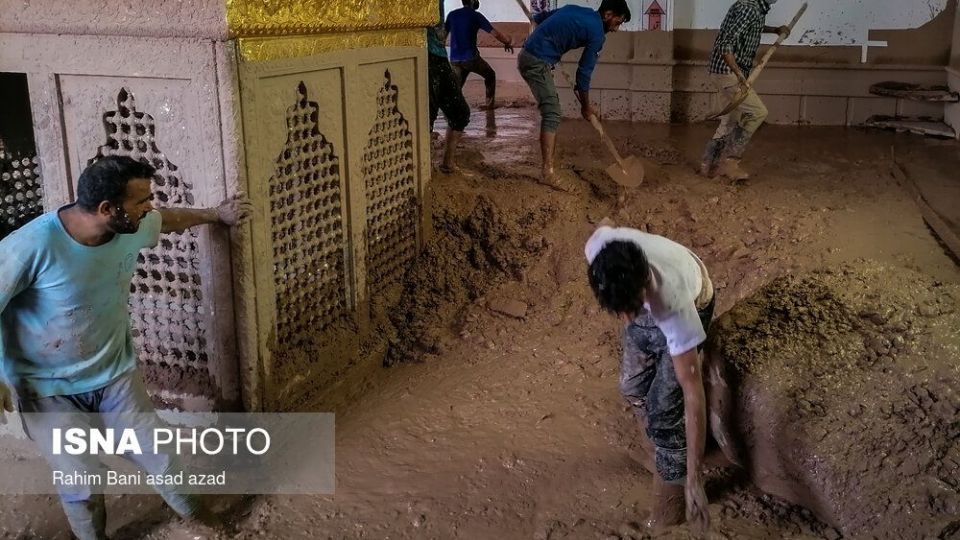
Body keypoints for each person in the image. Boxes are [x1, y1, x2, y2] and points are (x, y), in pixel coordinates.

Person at [0, 155, 252, 540]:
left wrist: (215, 214)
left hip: (113, 374)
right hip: (45, 387)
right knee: (81, 479)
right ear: (106, 209)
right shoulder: (29, 247)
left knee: (162, 457)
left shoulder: (130, 225)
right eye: (141, 200)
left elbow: (166, 219)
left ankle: (199, 516)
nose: (149, 206)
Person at [585, 222, 716, 535]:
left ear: (644, 285)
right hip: (642, 290)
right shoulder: (599, 249)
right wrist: (630, 308)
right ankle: (662, 444)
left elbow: (692, 389)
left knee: (664, 410)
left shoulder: (673, 302)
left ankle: (675, 480)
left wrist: (696, 479)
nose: (626, 320)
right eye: (620, 312)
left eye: (630, 309)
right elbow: (604, 225)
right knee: (630, 386)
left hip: (694, 295)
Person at [518, 0, 630, 189]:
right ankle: (548, 172)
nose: (616, 29)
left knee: (551, 110)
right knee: (552, 113)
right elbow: (584, 72)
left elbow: (542, 18)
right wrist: (586, 107)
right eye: (617, 23)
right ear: (608, 14)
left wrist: (539, 25)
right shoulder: (597, 34)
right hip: (536, 61)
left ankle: (549, 168)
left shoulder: (577, 9)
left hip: (533, 56)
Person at [700, 0, 790, 181]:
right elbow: (725, 45)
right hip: (728, 73)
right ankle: (730, 163)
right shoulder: (749, 8)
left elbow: (751, 26)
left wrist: (774, 30)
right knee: (757, 112)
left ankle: (708, 166)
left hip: (721, 71)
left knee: (729, 120)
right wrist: (739, 75)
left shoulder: (751, 7)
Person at [445, 0, 516, 110]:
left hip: (454, 59)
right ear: (473, 2)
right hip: (471, 59)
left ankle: (451, 113)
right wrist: (506, 42)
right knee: (490, 75)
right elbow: (495, 33)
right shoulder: (476, 16)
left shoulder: (452, 15)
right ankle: (489, 105)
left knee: (456, 88)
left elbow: (443, 36)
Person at [428, 0, 472, 174]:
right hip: (420, 54)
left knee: (460, 113)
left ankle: (448, 164)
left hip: (438, 55)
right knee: (426, 120)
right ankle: (423, 174)